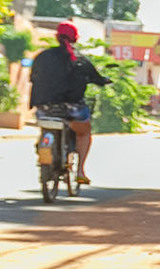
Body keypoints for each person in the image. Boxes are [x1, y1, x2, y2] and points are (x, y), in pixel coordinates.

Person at [28, 22, 111, 184]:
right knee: (84, 133)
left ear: (56, 37)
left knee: (45, 126)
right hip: (72, 110)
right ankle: (80, 171)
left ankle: (43, 147)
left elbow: (32, 78)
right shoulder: (80, 60)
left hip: (45, 107)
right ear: (75, 39)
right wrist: (104, 80)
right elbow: (98, 79)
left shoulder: (42, 56)